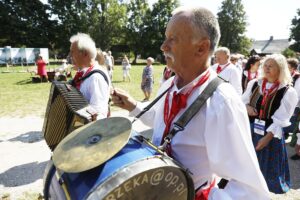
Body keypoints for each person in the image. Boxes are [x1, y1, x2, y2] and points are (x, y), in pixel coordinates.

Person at [112, 7, 269, 199]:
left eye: (172, 39)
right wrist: (132, 106)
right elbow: (161, 123)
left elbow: (251, 192)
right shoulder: (170, 84)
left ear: (201, 48)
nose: (163, 46)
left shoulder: (221, 102)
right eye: (165, 38)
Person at [242, 54, 297, 194]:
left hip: (270, 134)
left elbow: (281, 119)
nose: (266, 68)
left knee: (265, 172)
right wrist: (247, 108)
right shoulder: (254, 83)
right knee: (246, 167)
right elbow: (241, 102)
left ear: (280, 69)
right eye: (265, 65)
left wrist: (267, 138)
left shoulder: (288, 91)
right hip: (250, 129)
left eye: (270, 66)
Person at [69, 33, 111, 119]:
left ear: (84, 54)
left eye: (72, 52)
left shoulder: (96, 77)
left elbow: (98, 114)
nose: (70, 56)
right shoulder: (85, 73)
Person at [285, 58, 300, 160]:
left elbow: (297, 95)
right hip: (285, 104)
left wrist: (292, 106)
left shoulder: (298, 78)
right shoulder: (286, 75)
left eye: (288, 67)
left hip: (294, 105)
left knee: (294, 126)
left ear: (293, 68)